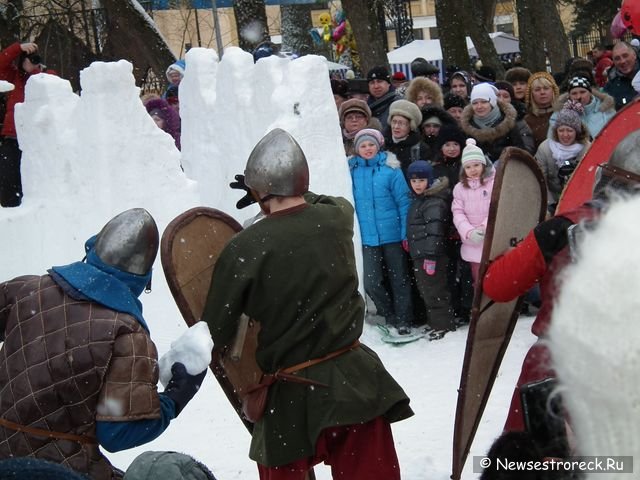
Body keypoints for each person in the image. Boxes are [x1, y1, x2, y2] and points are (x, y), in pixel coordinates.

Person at [201, 128, 414, 480]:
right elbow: (314, 201)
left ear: (258, 191)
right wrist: (276, 189)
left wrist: (262, 195)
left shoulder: (244, 248)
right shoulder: (338, 216)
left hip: (290, 397)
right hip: (355, 383)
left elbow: (215, 331)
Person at [0, 208, 207, 479]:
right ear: (143, 280)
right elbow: (118, 433)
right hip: (64, 472)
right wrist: (175, 398)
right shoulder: (128, 335)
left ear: (92, 248)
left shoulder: (28, 290)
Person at [481, 129, 640, 435]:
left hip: (560, 371)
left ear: (608, 179)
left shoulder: (558, 230)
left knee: (542, 465)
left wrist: (515, 253)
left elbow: (497, 286)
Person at [348, 128, 414, 334]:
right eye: (363, 145)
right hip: (368, 237)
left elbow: (404, 202)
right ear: (357, 149)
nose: (368, 149)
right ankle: (389, 314)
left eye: (371, 145)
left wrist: (405, 233)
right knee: (371, 281)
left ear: (378, 146)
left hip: (392, 234)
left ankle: (404, 319)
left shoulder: (391, 169)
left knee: (399, 278)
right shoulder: (350, 170)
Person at [0, 42, 55, 207]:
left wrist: (37, 71)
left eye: (35, 59)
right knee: (8, 179)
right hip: (12, 136)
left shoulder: (44, 77)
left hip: (35, 141)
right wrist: (18, 48)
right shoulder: (14, 77)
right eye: (29, 59)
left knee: (33, 182)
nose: (32, 62)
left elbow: (55, 89)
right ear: (22, 60)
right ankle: (11, 214)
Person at [405, 160, 456, 338]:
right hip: (420, 253)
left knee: (435, 291)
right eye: (413, 181)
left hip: (431, 257)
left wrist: (431, 256)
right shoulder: (420, 199)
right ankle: (435, 322)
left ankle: (444, 325)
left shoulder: (433, 201)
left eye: (421, 180)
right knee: (426, 290)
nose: (417, 184)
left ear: (429, 179)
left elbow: (435, 232)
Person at [452, 138, 495, 283]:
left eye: (476, 165)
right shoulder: (460, 188)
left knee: (496, 277)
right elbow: (457, 213)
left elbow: (496, 207)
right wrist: (469, 231)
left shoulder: (493, 184)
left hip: (492, 238)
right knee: (479, 280)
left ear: (483, 164)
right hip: (472, 242)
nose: (473, 170)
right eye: (468, 167)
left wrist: (484, 227)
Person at [536, 100, 591, 212]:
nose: (565, 135)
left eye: (570, 131)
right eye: (561, 130)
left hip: (578, 201)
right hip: (550, 199)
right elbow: (540, 180)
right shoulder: (545, 148)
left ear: (577, 132)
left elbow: (589, 180)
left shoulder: (587, 149)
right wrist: (550, 204)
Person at [460, 83, 527, 162]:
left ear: (492, 102)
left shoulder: (509, 123)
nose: (479, 106)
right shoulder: (466, 127)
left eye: (484, 102)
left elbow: (520, 154)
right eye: (475, 103)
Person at [548, 74, 615, 139]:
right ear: (569, 96)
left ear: (590, 93)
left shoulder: (607, 111)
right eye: (574, 93)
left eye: (582, 92)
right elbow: (552, 140)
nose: (578, 97)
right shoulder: (558, 115)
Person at [384, 99, 429, 175]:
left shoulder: (420, 149)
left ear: (411, 126)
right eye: (394, 122)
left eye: (401, 123)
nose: (396, 127)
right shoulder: (381, 144)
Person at [523, 72, 560, 150]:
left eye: (546, 88)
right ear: (531, 94)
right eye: (537, 90)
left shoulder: (564, 114)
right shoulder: (527, 121)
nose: (542, 92)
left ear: (553, 91)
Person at [603, 41, 640, 110]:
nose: (622, 61)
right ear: (613, 61)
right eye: (617, 58)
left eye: (625, 56)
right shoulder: (611, 86)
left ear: (634, 55)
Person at [366, 65, 401, 131]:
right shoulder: (366, 107)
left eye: (379, 81)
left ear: (388, 84)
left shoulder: (399, 104)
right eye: (372, 83)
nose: (376, 86)